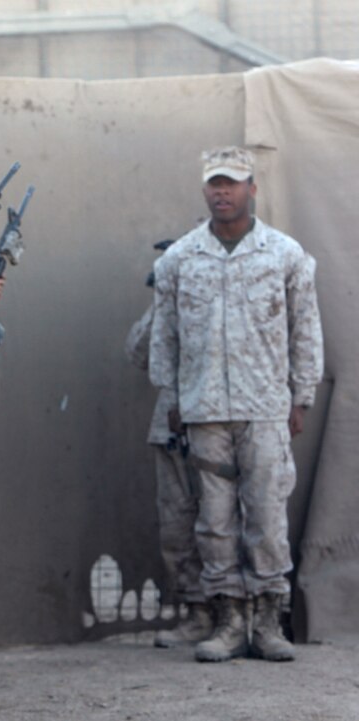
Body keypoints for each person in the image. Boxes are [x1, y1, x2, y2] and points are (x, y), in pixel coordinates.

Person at [150, 146, 323, 663]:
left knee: (267, 517)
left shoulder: (285, 254)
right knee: (214, 521)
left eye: (232, 183)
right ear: (204, 190)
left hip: (266, 407)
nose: (221, 192)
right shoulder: (180, 258)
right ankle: (228, 621)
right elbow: (167, 336)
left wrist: (302, 395)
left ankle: (268, 622)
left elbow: (305, 330)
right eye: (214, 184)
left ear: (252, 188)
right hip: (204, 410)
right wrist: (174, 397)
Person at [125, 241, 209, 649]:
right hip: (171, 428)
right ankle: (198, 613)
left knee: (222, 522)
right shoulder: (164, 305)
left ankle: (236, 613)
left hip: (217, 423)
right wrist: (162, 302)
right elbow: (137, 353)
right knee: (177, 525)